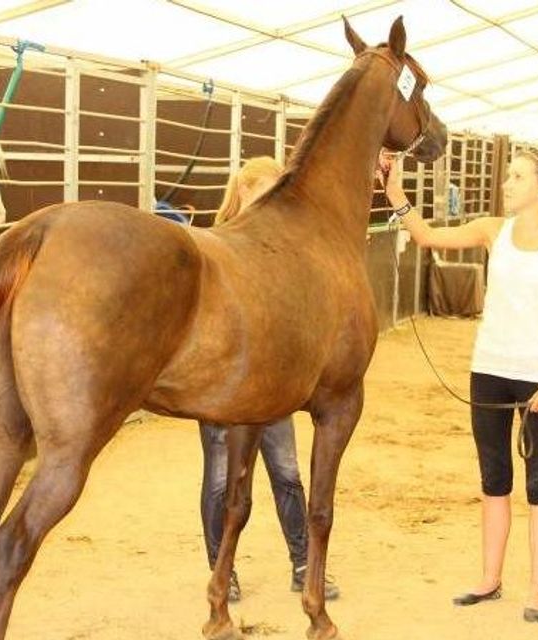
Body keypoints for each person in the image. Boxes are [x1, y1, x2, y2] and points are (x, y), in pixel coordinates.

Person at [378, 148, 538, 623]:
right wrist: (394, 190)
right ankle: (490, 578)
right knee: (494, 480)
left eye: (517, 177)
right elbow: (427, 236)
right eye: (508, 175)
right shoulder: (495, 230)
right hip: (489, 370)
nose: (506, 184)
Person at [199, 156, 340, 603]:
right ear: (244, 191)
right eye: (268, 192)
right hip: (222, 383)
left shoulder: (286, 252)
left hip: (274, 382)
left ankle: (303, 562)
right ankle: (222, 568)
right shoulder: (213, 246)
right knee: (221, 479)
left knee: (287, 472)